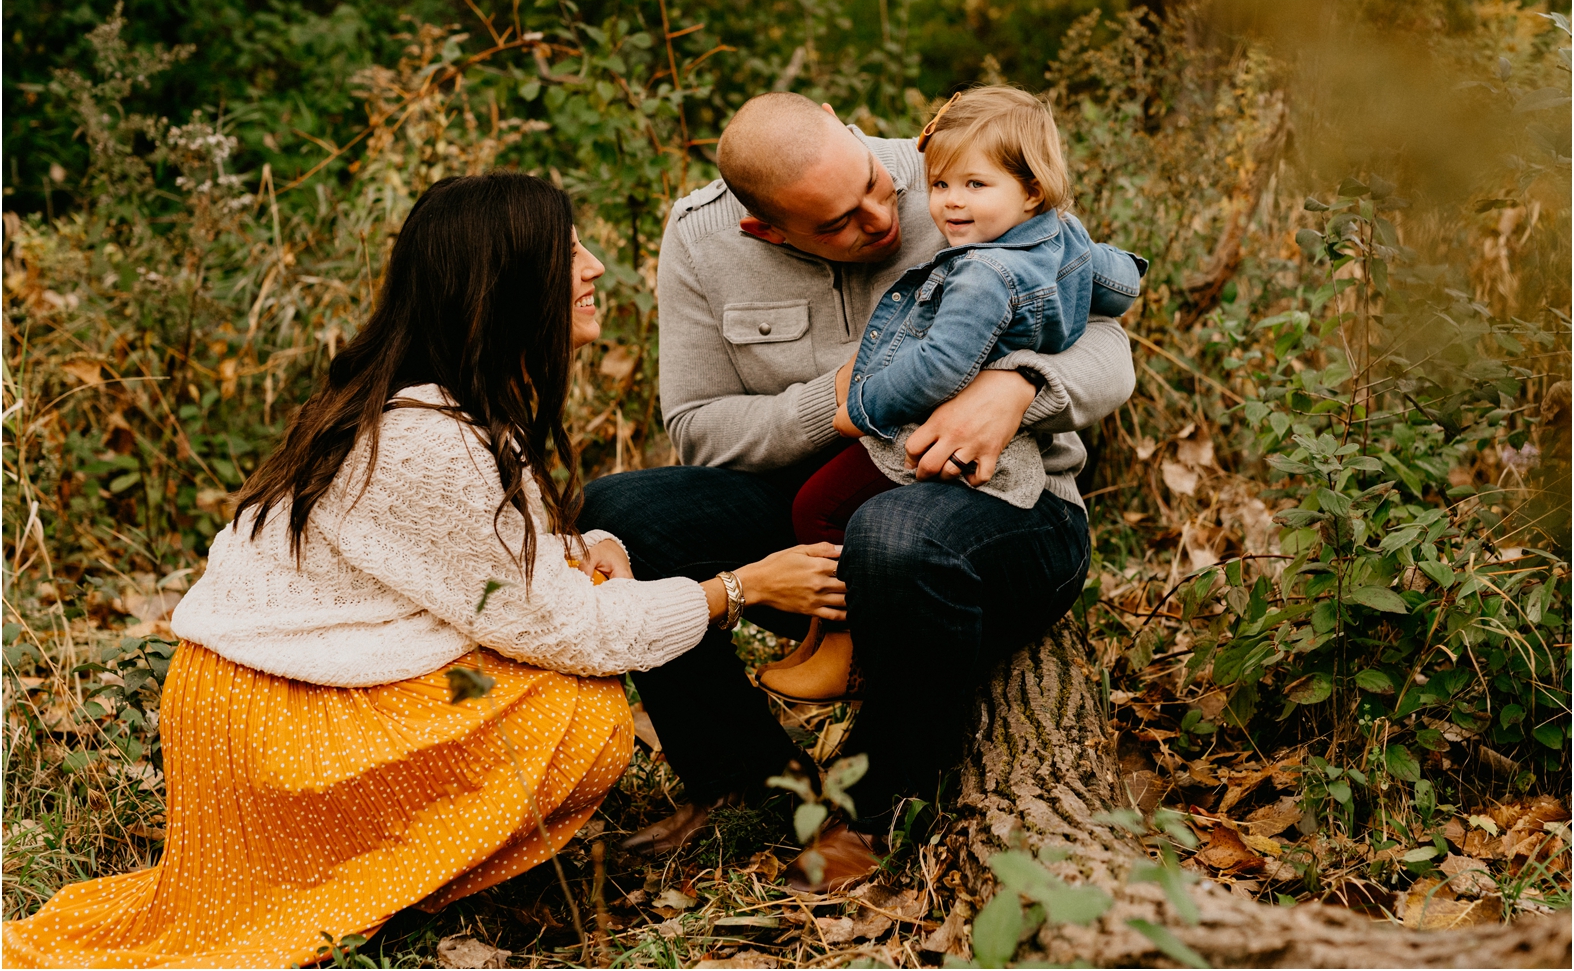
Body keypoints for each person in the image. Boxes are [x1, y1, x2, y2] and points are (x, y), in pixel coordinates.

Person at [1, 173, 845, 969]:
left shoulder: (428, 407)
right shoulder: (430, 438)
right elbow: (574, 636)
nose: (593, 268)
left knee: (577, 617)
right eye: (571, 252)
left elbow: (471, 575)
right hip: (274, 721)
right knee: (575, 709)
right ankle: (373, 876)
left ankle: (370, 865)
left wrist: (578, 557)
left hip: (268, 693)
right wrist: (745, 588)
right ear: (504, 286)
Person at [582, 92, 1136, 890]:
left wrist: (1018, 384)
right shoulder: (701, 238)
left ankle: (879, 812)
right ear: (765, 229)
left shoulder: (954, 174)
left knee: (895, 534)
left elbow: (1106, 341)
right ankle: (751, 786)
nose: (883, 218)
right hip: (817, 514)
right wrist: (834, 403)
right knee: (623, 517)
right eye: (840, 223)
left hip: (1005, 513)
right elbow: (698, 429)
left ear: (848, 126)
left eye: (878, 185)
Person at [765, 86, 1147, 703]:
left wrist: (862, 408)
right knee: (827, 506)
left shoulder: (981, 273)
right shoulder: (1066, 240)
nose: (950, 204)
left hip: (939, 431)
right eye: (940, 185)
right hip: (996, 441)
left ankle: (843, 641)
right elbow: (1118, 282)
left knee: (819, 508)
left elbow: (939, 366)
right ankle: (819, 636)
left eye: (975, 185)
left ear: (1031, 191)